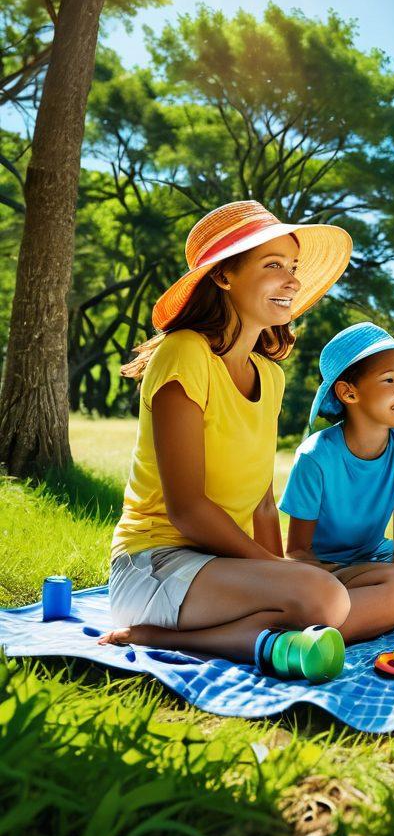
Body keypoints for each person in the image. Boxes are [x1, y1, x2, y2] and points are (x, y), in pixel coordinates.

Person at [102, 201, 358, 680]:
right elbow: (187, 509)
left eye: (294, 268)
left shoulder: (270, 376)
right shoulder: (184, 354)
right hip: (154, 565)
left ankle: (274, 631)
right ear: (224, 277)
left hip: (222, 568)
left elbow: (262, 505)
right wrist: (283, 576)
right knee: (323, 596)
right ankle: (159, 636)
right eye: (273, 266)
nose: (292, 281)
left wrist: (278, 570)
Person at [280, 322, 394, 628]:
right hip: (325, 568)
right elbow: (296, 551)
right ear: (348, 393)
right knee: (300, 580)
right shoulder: (315, 456)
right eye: (389, 380)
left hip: (379, 560)